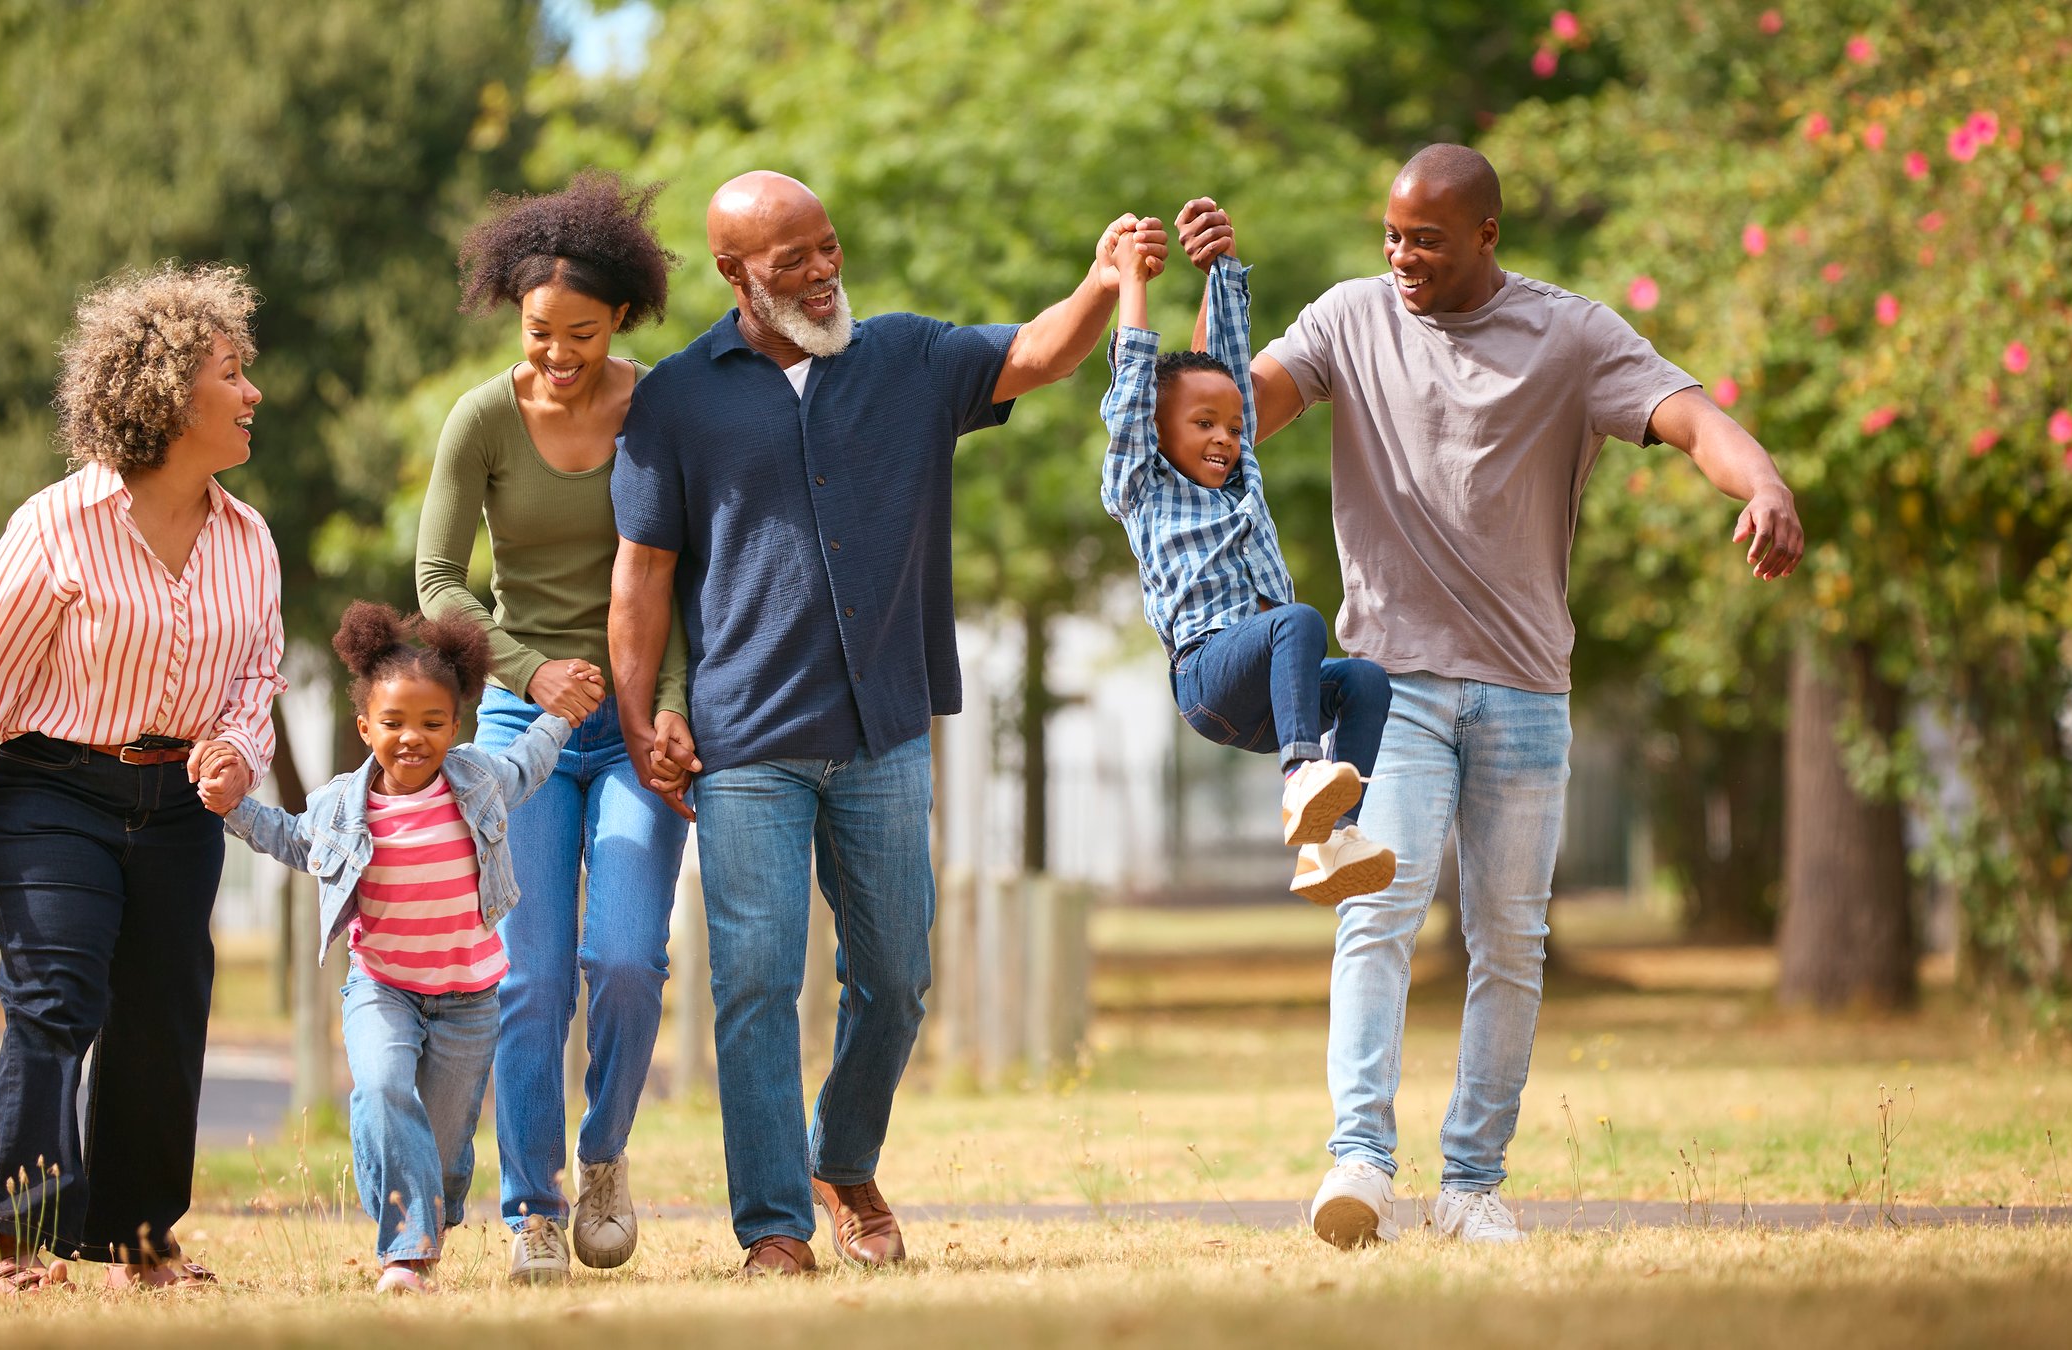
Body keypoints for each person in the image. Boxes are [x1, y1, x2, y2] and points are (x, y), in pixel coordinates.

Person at [1176, 147, 1805, 1249]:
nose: (1401, 256)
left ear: (1486, 237)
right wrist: (1202, 293)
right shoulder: (1349, 319)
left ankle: (1471, 1185)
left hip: (1524, 690)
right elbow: (1217, 420)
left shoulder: (1570, 335)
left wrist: (1763, 484)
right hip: (1395, 682)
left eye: (1425, 239)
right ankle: (1360, 1166)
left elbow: (1693, 418)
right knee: (1376, 907)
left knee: (1510, 942)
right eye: (1391, 235)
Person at [608, 171, 1166, 1275]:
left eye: (829, 248)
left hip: (885, 733)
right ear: (734, 276)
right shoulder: (676, 399)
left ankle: (842, 1154)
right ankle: (775, 1227)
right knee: (757, 983)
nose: (823, 272)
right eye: (793, 261)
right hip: (746, 745)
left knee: (898, 976)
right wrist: (639, 721)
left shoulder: (906, 356)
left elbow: (1040, 356)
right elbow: (642, 578)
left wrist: (1103, 282)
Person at [0, 263, 285, 1293]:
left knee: (163, 1012)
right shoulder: (54, 527)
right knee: (56, 996)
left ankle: (137, 1241)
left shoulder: (250, 541)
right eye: (233, 373)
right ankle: (21, 1241)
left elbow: (257, 679)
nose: (253, 393)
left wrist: (237, 750)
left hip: (177, 812)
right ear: (165, 392)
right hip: (52, 792)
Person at [416, 170, 694, 1284]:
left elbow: (688, 576)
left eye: (581, 334)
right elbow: (439, 577)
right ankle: (530, 1203)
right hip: (514, 718)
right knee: (528, 978)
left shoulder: (664, 408)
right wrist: (531, 670)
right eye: (539, 334)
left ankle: (605, 1159)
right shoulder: (484, 417)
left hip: (635, 720)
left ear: (621, 316)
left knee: (624, 956)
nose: (557, 356)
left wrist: (665, 703)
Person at [214, 602, 573, 1296]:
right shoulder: (341, 806)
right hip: (382, 987)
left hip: (469, 998)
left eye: (433, 723)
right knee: (381, 1092)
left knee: (438, 1148)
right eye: (395, 723)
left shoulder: (477, 780)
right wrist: (235, 805)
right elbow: (291, 838)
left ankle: (422, 1238)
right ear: (365, 727)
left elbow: (530, 764)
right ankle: (404, 1256)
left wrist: (564, 715)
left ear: (457, 726)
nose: (414, 738)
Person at [1098, 210, 1394, 906]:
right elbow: (1134, 383)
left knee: (1367, 681)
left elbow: (1229, 368)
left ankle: (1334, 839)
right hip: (1210, 677)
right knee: (1297, 619)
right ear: (1157, 433)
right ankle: (1301, 776)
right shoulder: (1141, 485)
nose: (1225, 440)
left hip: (1271, 695)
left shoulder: (1243, 477)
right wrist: (1131, 283)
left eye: (1234, 428)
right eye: (1203, 427)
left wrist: (1221, 273)